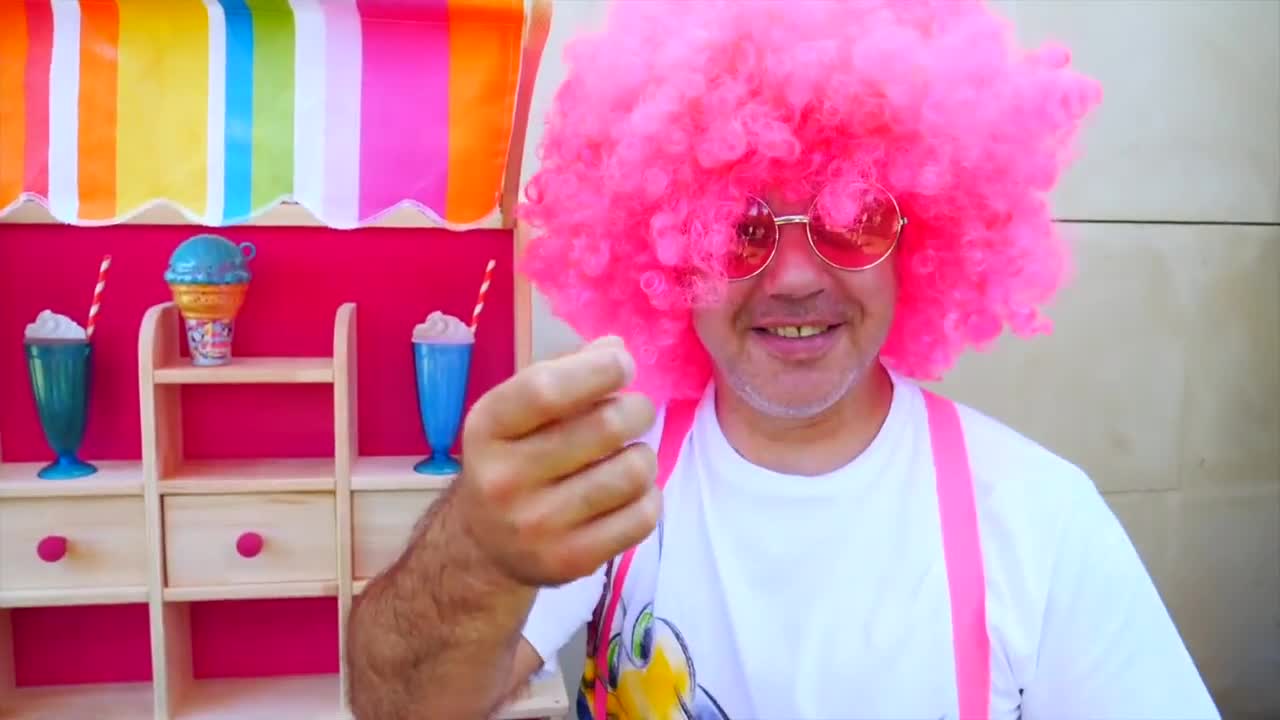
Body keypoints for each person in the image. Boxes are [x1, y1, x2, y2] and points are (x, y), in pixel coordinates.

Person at [345, 1, 1222, 718]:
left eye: (854, 218)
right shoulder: (609, 480)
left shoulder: (1041, 520)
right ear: (669, 255)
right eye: (738, 228)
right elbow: (396, 707)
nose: (796, 277)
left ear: (919, 240)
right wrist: (476, 547)